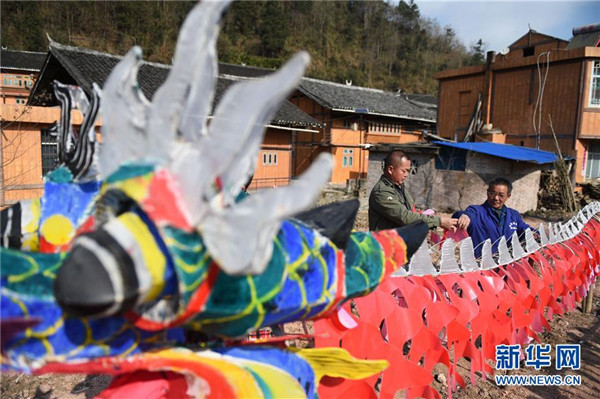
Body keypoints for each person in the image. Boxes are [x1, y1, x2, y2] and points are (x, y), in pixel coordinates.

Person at [369, 150, 458, 231]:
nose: (406, 175)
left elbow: (411, 212)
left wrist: (423, 215)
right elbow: (405, 217)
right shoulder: (381, 192)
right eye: (404, 171)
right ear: (390, 169)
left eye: (408, 171)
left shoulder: (399, 188)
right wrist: (439, 221)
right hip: (384, 245)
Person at [453, 177, 533, 257]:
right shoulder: (477, 211)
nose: (496, 198)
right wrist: (464, 216)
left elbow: (525, 230)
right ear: (487, 192)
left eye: (501, 195)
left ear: (508, 196)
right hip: (481, 264)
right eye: (492, 193)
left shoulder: (513, 215)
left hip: (506, 264)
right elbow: (461, 215)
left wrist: (536, 234)